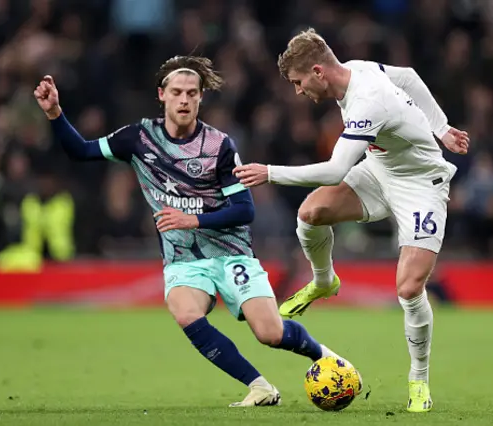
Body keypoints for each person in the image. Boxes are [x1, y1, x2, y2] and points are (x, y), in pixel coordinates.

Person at [33, 55, 347, 407]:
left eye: (192, 93)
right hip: (183, 260)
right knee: (185, 312)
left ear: (200, 98)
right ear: (161, 95)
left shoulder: (219, 146)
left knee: (270, 333)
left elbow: (245, 210)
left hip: (231, 254)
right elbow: (80, 151)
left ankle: (324, 355)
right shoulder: (138, 138)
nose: (184, 100)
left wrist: (191, 220)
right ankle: (259, 387)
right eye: (177, 92)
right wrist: (54, 114)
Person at [233, 29, 470, 413]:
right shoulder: (358, 69)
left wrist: (270, 172)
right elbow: (407, 74)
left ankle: (419, 379)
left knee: (409, 288)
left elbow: (334, 169)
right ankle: (324, 281)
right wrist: (441, 128)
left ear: (317, 72)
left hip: (421, 186)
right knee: (310, 214)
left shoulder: (367, 101)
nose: (297, 91)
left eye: (297, 82)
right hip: (379, 172)